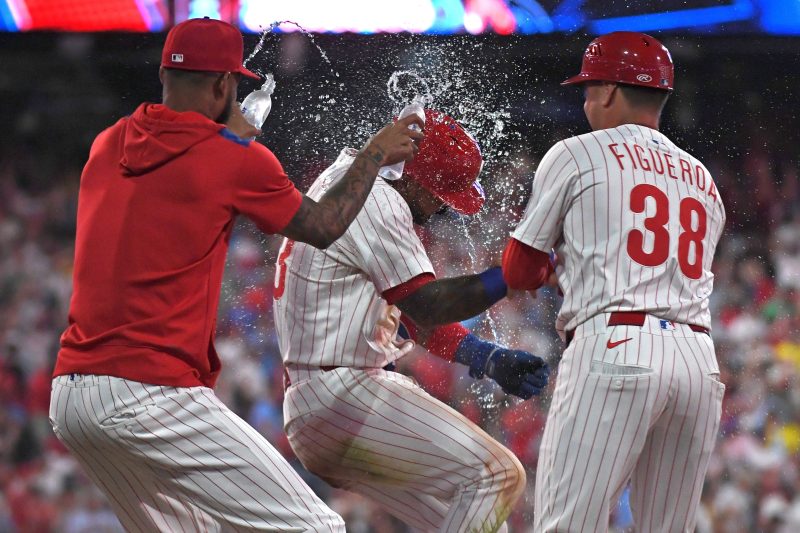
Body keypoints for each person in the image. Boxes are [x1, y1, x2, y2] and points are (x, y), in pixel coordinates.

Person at [48, 17, 423, 532]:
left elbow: (175, 171)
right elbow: (324, 224)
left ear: (164, 75)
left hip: (73, 398)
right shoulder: (235, 159)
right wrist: (374, 152)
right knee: (318, 527)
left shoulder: (107, 144)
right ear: (224, 85)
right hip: (150, 390)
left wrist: (225, 140)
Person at [273, 109, 550, 533]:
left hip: (322, 402)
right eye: (441, 192)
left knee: (479, 522)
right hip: (345, 394)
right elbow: (428, 306)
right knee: (498, 476)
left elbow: (410, 316)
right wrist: (509, 277)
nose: (443, 205)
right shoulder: (376, 199)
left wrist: (486, 355)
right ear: (415, 176)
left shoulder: (353, 180)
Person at [502, 31, 726, 532]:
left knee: (569, 525)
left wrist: (555, 270)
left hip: (616, 346)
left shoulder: (576, 153)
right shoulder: (703, 180)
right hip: (697, 362)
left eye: (588, 89)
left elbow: (518, 270)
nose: (585, 100)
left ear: (606, 91)